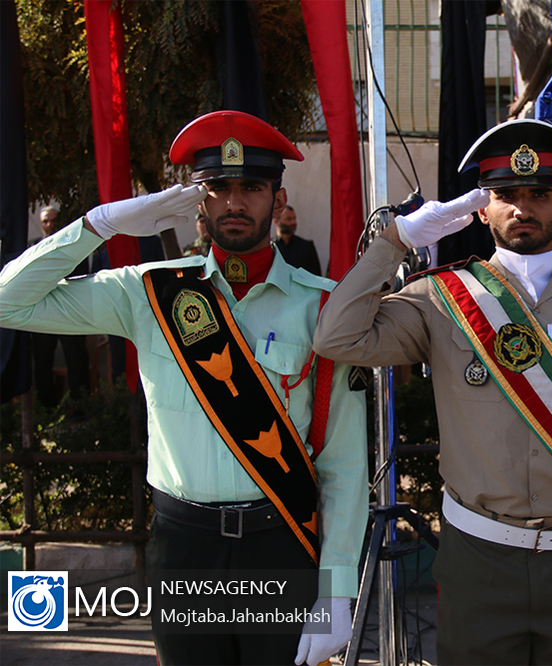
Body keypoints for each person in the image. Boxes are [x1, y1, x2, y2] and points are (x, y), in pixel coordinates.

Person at [0, 110, 368, 666]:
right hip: (184, 545)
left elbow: (344, 463)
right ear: (198, 201)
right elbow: (10, 301)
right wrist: (101, 224)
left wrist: (337, 587)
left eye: (251, 187)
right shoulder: (150, 294)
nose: (235, 202)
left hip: (282, 542)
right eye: (218, 187)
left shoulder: (323, 305)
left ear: (278, 196)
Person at [313, 119, 552, 665]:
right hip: (478, 560)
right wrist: (397, 240)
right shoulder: (441, 301)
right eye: (506, 195)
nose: (522, 208)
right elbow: (337, 336)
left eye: (539, 195)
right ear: (482, 208)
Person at [30, 206, 91, 408]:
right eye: (45, 221)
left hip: (67, 311)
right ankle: (47, 409)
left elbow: (81, 277)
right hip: (42, 312)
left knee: (76, 358)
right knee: (42, 361)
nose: (49, 225)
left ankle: (80, 407)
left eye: (53, 221)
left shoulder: (72, 246)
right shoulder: (33, 248)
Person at [274, 204, 322, 276]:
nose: (293, 222)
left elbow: (316, 277)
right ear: (277, 222)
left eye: (294, 218)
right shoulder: (271, 247)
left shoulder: (306, 247)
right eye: (288, 219)